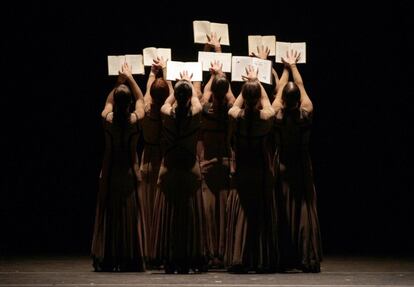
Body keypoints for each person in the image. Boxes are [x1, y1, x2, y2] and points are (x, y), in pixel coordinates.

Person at [91, 63, 146, 272]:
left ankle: (110, 255)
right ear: (129, 103)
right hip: (130, 172)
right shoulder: (134, 121)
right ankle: (129, 256)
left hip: (111, 171)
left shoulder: (108, 119)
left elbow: (108, 102)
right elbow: (141, 100)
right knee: (129, 215)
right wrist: (130, 79)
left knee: (111, 214)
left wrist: (118, 83)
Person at [151, 71, 207, 274]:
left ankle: (171, 258)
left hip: (170, 168)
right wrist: (189, 83)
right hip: (190, 168)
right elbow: (195, 99)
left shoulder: (166, 113)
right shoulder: (196, 113)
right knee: (189, 215)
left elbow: (167, 101)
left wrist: (177, 86)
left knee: (171, 216)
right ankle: (191, 256)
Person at [272, 50, 322, 273]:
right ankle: (306, 256)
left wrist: (283, 70)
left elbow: (279, 94)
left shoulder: (277, 115)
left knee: (284, 209)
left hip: (283, 163)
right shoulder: (306, 112)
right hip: (301, 164)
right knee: (303, 208)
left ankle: (287, 256)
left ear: (283, 99)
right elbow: (300, 88)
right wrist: (292, 66)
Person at [225, 66, 278, 273]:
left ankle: (241, 257)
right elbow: (267, 105)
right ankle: (260, 258)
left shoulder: (235, 116)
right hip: (260, 171)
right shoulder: (265, 119)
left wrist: (247, 87)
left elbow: (238, 103)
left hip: (242, 171)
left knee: (243, 214)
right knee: (259, 215)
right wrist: (258, 83)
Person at [198, 60, 235, 268]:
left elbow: (202, 95)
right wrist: (221, 75)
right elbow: (232, 97)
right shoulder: (231, 111)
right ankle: (223, 251)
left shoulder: (205, 110)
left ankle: (211, 252)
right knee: (224, 210)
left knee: (210, 211)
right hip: (225, 162)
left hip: (208, 163)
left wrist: (212, 77)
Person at [138, 57, 172, 265]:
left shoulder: (144, 112)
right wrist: (167, 72)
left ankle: (150, 251)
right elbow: (171, 94)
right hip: (164, 159)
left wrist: (152, 73)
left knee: (149, 206)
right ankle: (162, 249)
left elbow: (145, 96)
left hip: (149, 159)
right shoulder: (169, 113)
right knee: (162, 207)